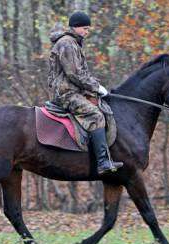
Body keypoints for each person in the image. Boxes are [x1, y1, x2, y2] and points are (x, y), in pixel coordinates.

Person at [48, 11, 123, 175]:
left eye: (88, 29)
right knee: (95, 115)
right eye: (85, 29)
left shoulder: (73, 43)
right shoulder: (67, 44)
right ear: (76, 27)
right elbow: (74, 74)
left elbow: (82, 74)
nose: (87, 32)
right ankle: (103, 162)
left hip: (74, 90)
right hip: (66, 94)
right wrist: (96, 87)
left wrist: (95, 87)